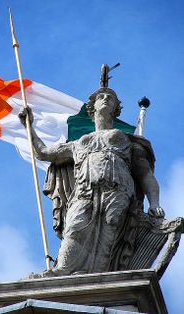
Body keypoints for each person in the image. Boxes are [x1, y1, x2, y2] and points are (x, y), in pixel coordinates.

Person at [19, 87, 165, 276]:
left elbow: (145, 175)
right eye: (101, 97)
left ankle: (99, 274)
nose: (105, 99)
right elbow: (43, 153)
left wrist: (155, 203)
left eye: (110, 98)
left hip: (118, 190)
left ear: (115, 108)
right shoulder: (78, 143)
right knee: (75, 228)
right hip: (84, 190)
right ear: (92, 107)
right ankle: (62, 270)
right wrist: (28, 125)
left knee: (109, 230)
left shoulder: (128, 142)